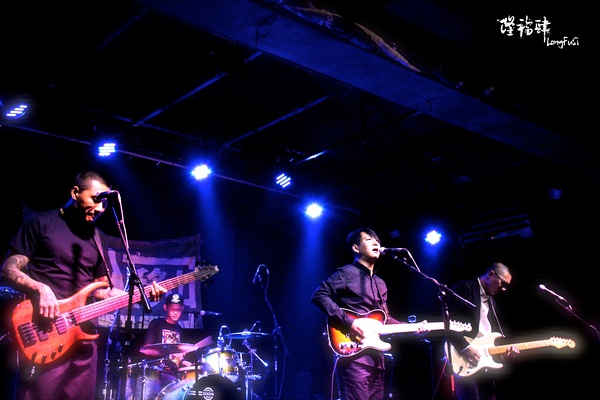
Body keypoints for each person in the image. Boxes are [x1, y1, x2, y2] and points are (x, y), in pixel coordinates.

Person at [0, 170, 167, 400]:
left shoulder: (98, 238)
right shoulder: (41, 223)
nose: (100, 208)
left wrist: (141, 295)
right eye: (96, 199)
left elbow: (101, 290)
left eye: (104, 204)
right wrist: (41, 288)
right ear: (75, 192)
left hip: (84, 338)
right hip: (47, 332)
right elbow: (8, 269)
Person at [311, 227, 429, 400]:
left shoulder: (380, 283)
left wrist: (413, 328)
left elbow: (385, 320)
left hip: (377, 359)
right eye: (368, 239)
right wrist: (350, 322)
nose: (375, 242)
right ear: (355, 248)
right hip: (354, 355)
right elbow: (319, 295)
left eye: (377, 241)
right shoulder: (346, 273)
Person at [445, 262, 520, 400]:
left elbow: (489, 335)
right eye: (503, 283)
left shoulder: (492, 302)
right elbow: (446, 323)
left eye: (506, 286)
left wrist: (504, 353)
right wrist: (465, 348)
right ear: (491, 274)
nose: (503, 289)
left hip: (485, 363)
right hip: (465, 359)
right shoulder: (464, 288)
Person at [141, 292, 195, 388]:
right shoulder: (156, 324)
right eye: (172, 309)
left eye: (178, 309)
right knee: (173, 384)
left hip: (175, 371)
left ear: (182, 309)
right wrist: (166, 352)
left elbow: (178, 353)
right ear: (165, 307)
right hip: (159, 372)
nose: (175, 312)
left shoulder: (179, 328)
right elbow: (147, 349)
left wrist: (183, 361)